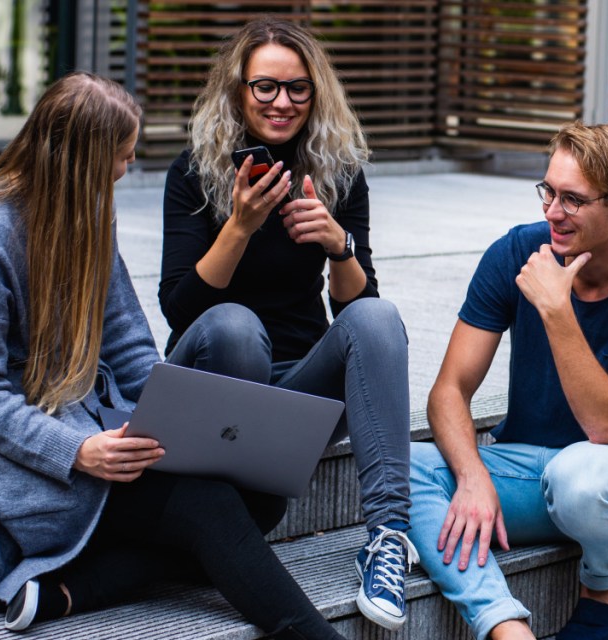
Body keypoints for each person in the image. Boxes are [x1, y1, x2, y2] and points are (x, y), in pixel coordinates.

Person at [0, 72, 345, 639]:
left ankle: (69, 590)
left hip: (94, 423)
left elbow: (126, 343)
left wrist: (182, 416)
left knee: (260, 500)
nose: (129, 165)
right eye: (122, 155)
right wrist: (77, 451)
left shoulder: (89, 210)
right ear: (80, 158)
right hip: (19, 452)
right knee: (210, 508)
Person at [157, 16, 415, 631]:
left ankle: (388, 540)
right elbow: (180, 309)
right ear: (238, 90)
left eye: (298, 88)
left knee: (379, 318)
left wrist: (338, 246)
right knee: (235, 327)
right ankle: (224, 520)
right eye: (264, 87)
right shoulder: (193, 173)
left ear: (316, 92)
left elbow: (359, 314)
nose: (282, 103)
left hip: (298, 392)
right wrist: (239, 226)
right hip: (216, 378)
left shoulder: (338, 171)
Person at [408, 123, 608, 640]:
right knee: (402, 467)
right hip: (525, 463)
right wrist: (473, 476)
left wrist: (556, 309)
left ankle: (603, 589)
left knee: (582, 477)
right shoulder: (517, 251)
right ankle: (503, 625)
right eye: (548, 191)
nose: (551, 212)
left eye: (572, 199)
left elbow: (605, 424)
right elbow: (449, 389)